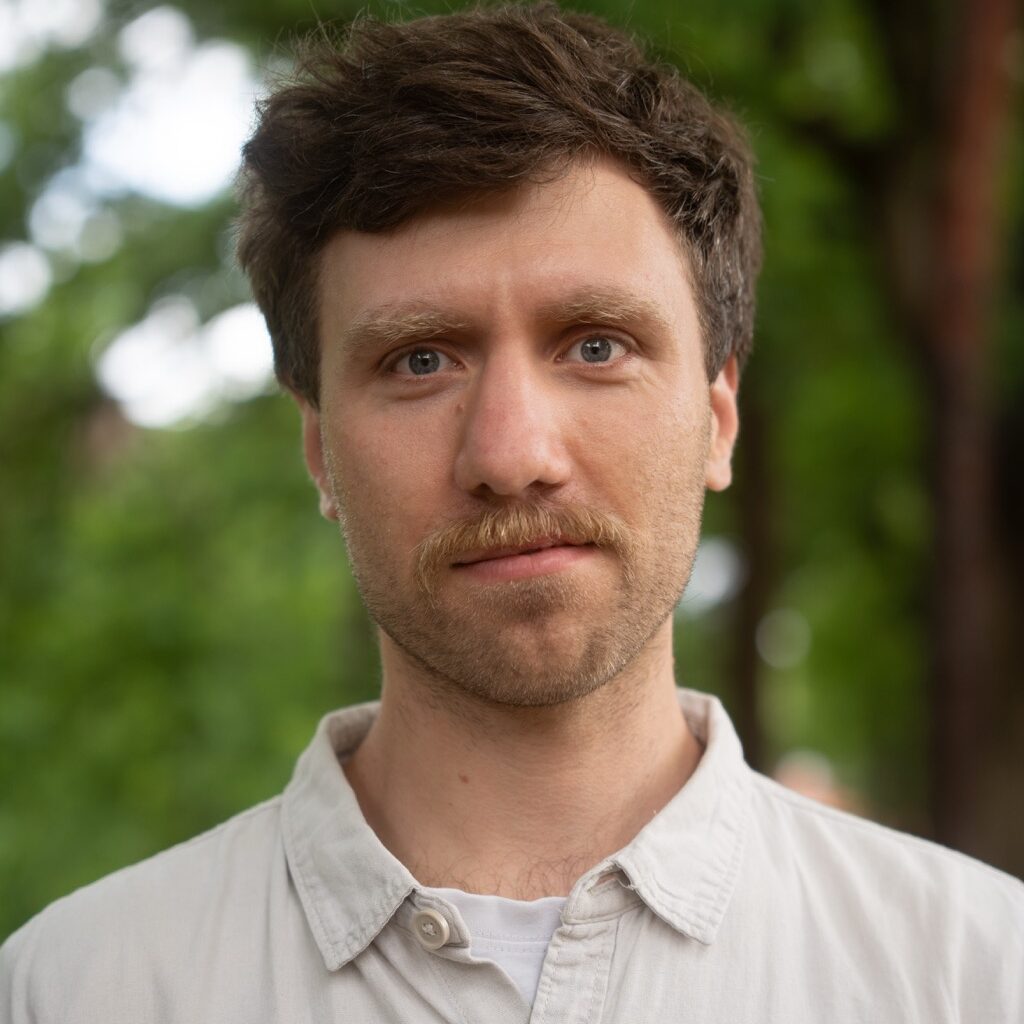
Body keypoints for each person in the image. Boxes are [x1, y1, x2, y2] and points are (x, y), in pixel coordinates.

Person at [2, 4, 1021, 1021]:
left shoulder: (977, 974)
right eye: (420, 360)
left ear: (718, 419)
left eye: (595, 346)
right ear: (319, 451)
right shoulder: (77, 990)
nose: (511, 456)